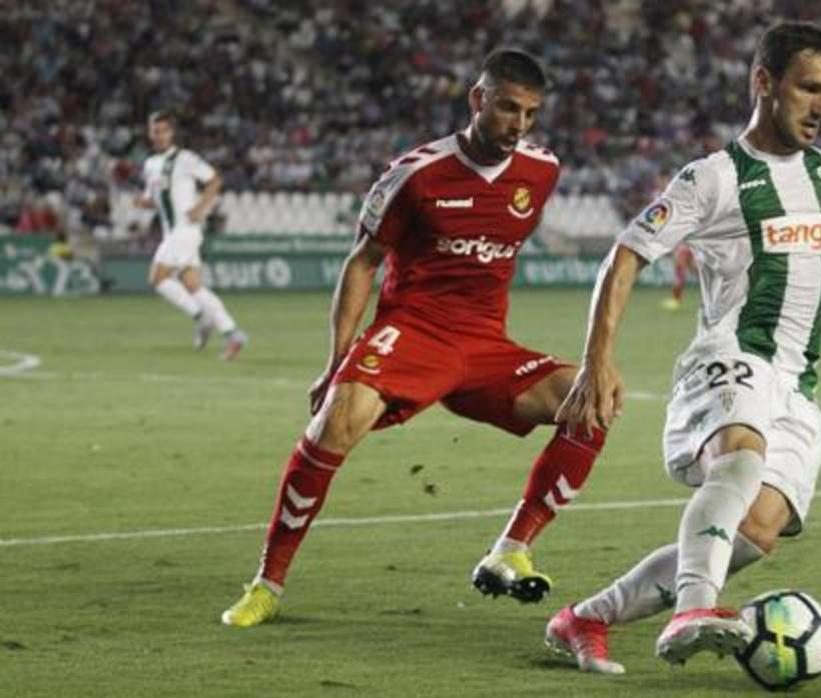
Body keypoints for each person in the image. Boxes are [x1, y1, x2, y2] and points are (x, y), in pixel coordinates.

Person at [221, 49, 609, 627]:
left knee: (593, 402)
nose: (518, 125)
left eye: (530, 113)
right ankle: (268, 583)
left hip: (483, 345)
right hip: (413, 333)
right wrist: (338, 361)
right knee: (336, 418)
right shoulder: (416, 175)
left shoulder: (542, 170)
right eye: (507, 109)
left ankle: (512, 549)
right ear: (478, 100)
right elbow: (362, 263)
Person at [546, 22, 821, 672]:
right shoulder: (714, 178)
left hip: (797, 385)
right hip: (731, 354)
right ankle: (694, 608)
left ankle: (586, 618)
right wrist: (598, 359)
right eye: (807, 88)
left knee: (756, 531)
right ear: (763, 82)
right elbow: (624, 255)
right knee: (738, 460)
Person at [135, 111, 247, 359]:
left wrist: (201, 207)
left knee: (158, 278)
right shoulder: (151, 164)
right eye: (155, 130)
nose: (159, 135)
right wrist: (143, 203)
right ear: (149, 133)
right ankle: (232, 333)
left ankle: (201, 316)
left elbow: (214, 180)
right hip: (172, 232)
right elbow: (157, 198)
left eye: (164, 130)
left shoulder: (185, 159)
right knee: (194, 286)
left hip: (184, 230)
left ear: (172, 133)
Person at [661, 244, 697, 311]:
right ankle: (676, 301)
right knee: (679, 284)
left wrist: (688, 267)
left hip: (681, 267)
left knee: (678, 284)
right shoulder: (683, 248)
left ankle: (676, 301)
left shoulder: (683, 249)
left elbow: (685, 261)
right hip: (681, 267)